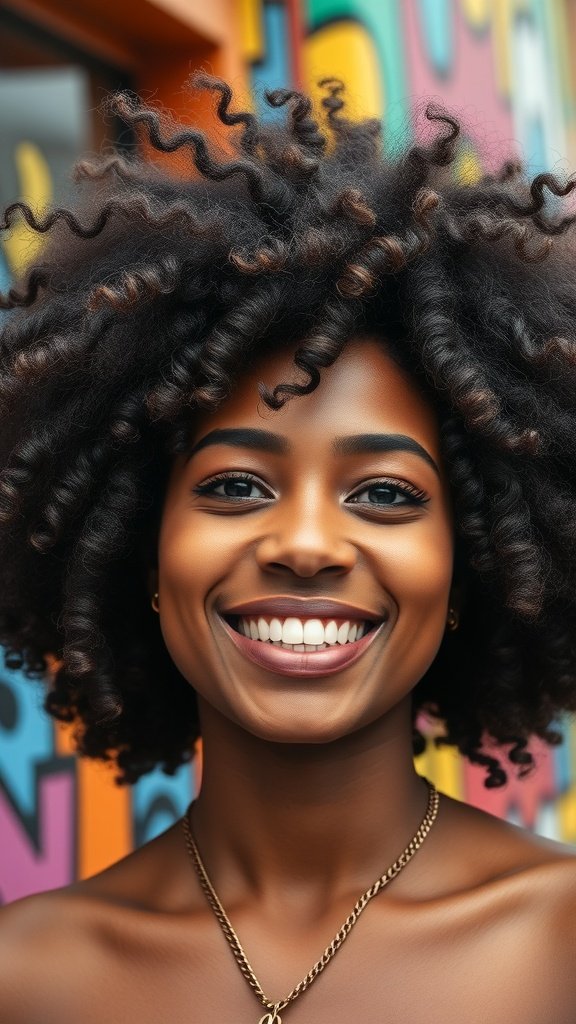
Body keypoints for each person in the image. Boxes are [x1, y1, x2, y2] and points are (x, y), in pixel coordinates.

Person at [0, 74, 576, 1024]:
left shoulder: (558, 949)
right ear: (141, 549)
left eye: (385, 494)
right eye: (235, 486)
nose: (306, 543)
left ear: (470, 559)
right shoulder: (29, 978)